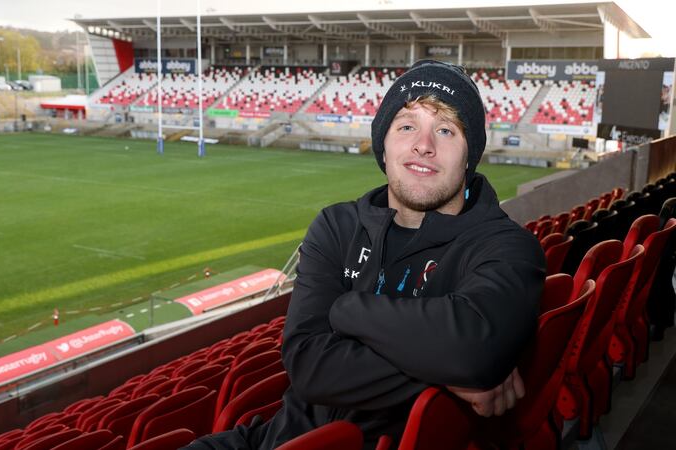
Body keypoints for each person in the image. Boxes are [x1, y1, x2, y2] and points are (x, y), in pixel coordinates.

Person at [184, 60, 546, 450]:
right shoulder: (336, 226)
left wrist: (345, 310)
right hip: (276, 437)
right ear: (384, 145)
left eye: (445, 130)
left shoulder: (507, 246)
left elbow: (474, 351)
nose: (424, 145)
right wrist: (447, 367)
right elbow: (309, 367)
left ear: (469, 153)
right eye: (407, 126)